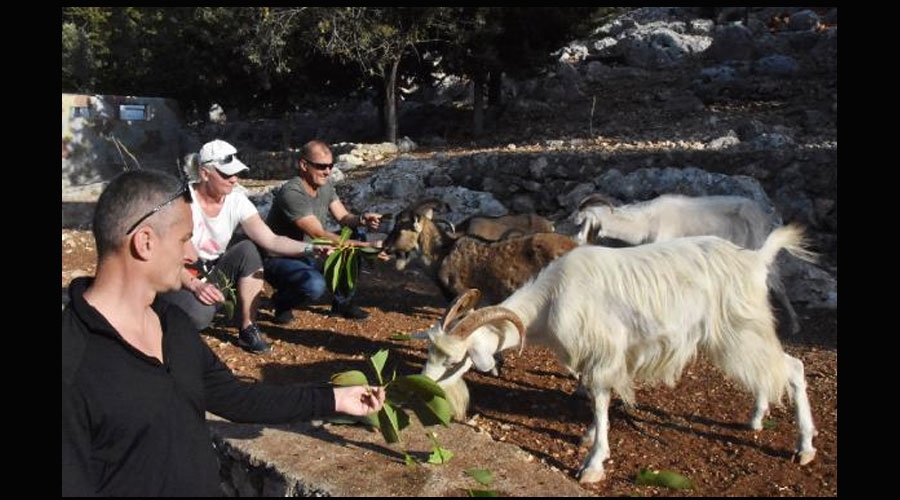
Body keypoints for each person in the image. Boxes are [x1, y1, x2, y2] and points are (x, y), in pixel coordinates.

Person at [62, 170, 385, 496]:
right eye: (184, 239)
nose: (192, 255)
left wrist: (335, 398)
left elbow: (237, 398)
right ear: (145, 242)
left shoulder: (172, 324)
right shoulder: (72, 362)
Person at [159, 139, 327, 354]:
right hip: (180, 273)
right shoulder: (181, 201)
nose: (234, 179)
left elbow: (271, 240)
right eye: (226, 174)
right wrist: (195, 285)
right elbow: (167, 257)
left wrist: (310, 249)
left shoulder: (236, 200)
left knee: (248, 249)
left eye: (236, 173)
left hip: (211, 271)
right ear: (204, 173)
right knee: (200, 317)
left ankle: (248, 327)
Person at [264, 140, 385, 321]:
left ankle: (343, 303)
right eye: (321, 166)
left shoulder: (325, 185)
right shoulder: (292, 192)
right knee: (314, 285)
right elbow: (318, 234)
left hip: (313, 251)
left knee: (356, 234)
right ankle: (282, 302)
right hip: (282, 257)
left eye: (330, 166)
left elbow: (343, 217)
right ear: (304, 165)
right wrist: (366, 247)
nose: (327, 171)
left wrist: (361, 219)